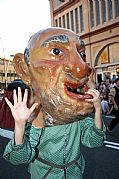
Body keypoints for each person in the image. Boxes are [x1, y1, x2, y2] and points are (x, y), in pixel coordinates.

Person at [3, 27, 105, 179]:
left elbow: (95, 141)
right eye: (56, 52)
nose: (82, 67)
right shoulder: (36, 123)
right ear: (25, 70)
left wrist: (98, 109)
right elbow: (20, 158)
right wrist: (20, 125)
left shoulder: (78, 118)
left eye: (82, 54)